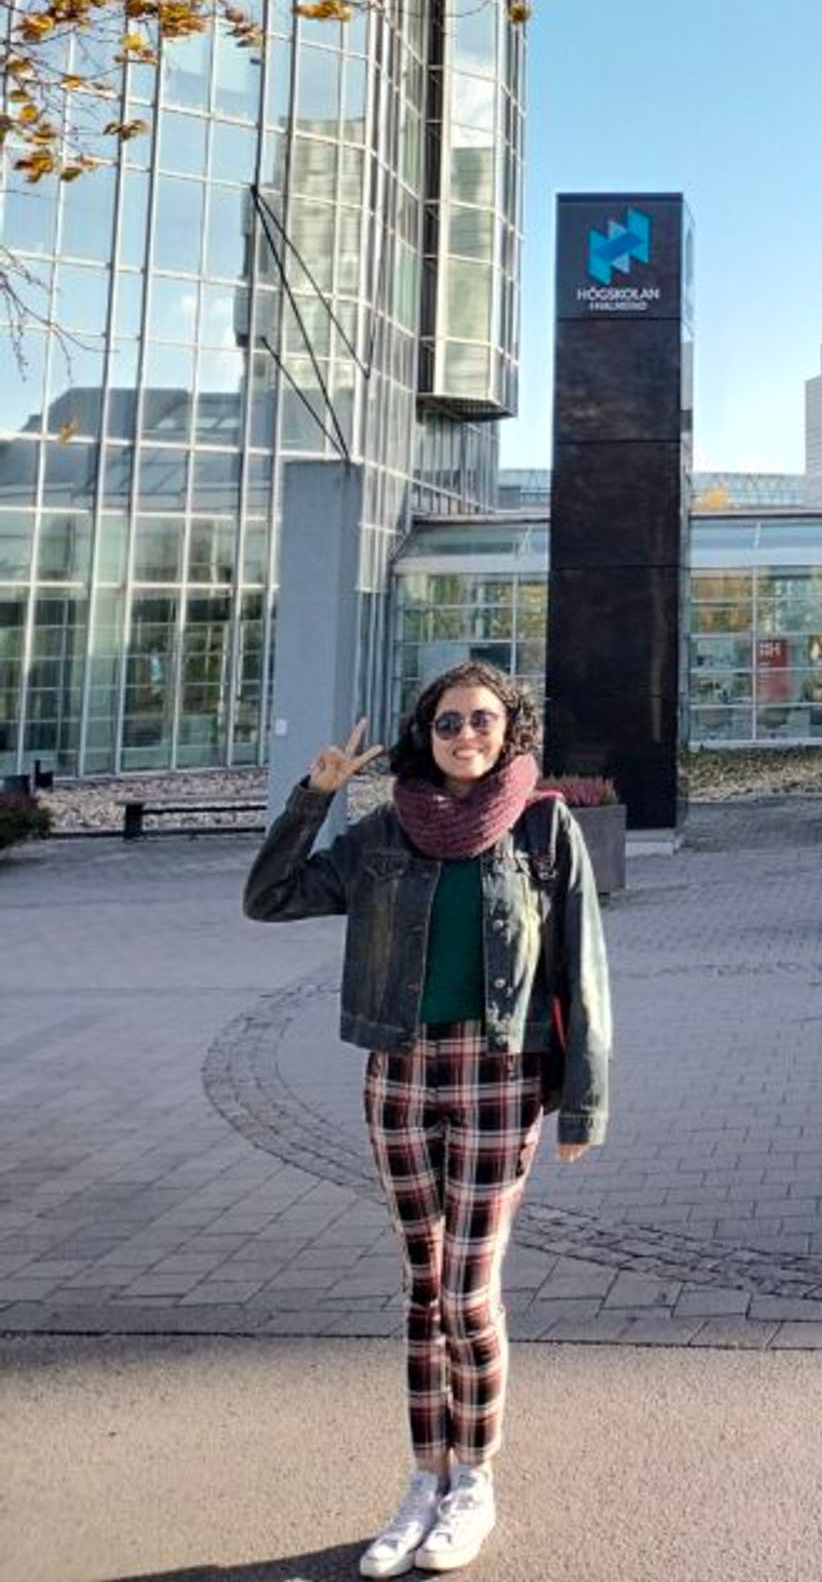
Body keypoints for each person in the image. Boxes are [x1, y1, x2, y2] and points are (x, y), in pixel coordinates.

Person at [244, 664, 611, 1577]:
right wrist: (315, 794)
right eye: (448, 721)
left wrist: (584, 1105)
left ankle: (475, 1480)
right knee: (421, 1288)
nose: (464, 734)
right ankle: (424, 1477)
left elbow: (583, 972)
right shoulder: (382, 833)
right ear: (427, 732)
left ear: (509, 730)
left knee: (466, 1291)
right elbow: (268, 896)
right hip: (399, 1079)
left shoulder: (543, 827)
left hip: (500, 1079)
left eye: (483, 719)